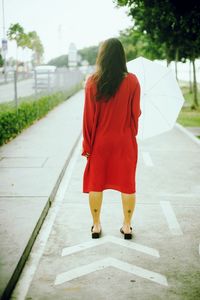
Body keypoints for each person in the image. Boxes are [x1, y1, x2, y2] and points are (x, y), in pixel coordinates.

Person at [81, 38, 141, 239]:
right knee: (128, 184)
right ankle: (127, 225)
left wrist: (87, 145)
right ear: (122, 56)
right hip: (124, 142)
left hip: (100, 143)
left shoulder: (92, 81)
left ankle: (96, 226)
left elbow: (88, 118)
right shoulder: (132, 81)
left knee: (95, 184)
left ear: (103, 56)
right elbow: (135, 114)